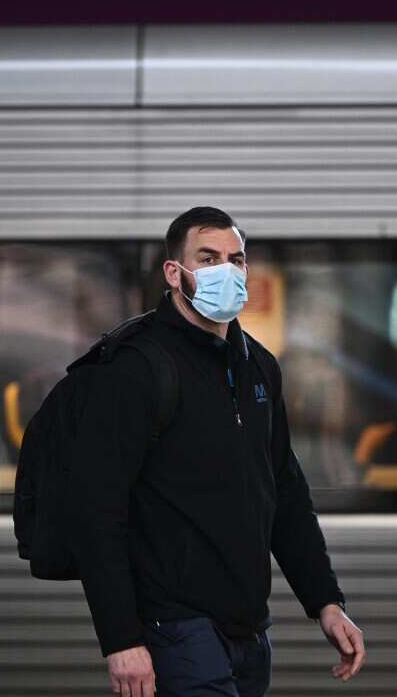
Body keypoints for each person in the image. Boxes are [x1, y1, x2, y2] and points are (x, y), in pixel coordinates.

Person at [68, 206, 365, 697]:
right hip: (176, 631)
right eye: (207, 258)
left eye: (236, 259)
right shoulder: (137, 369)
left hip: (250, 633)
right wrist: (121, 639)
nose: (226, 270)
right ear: (174, 272)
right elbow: (97, 513)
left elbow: (285, 495)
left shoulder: (259, 366)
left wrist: (326, 602)